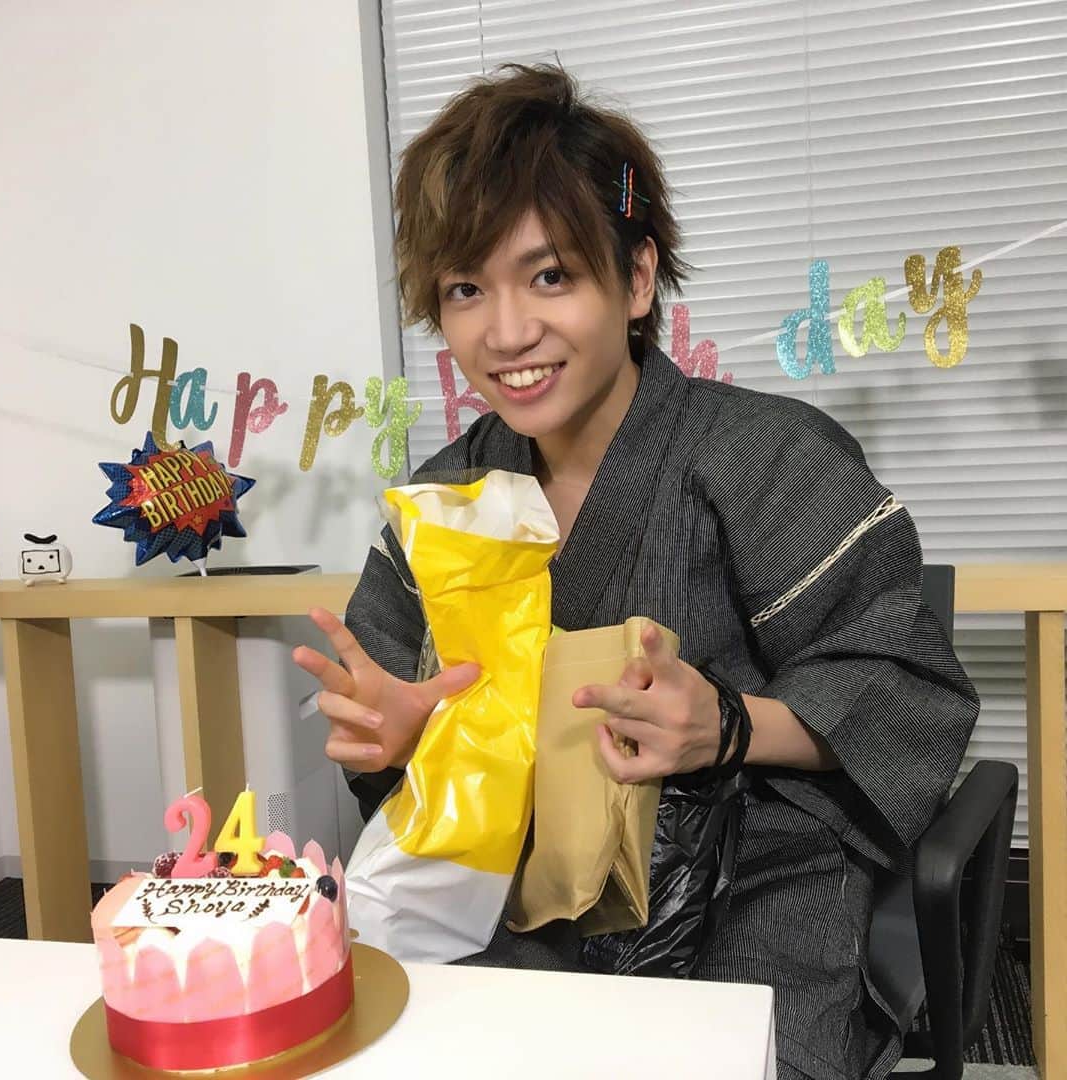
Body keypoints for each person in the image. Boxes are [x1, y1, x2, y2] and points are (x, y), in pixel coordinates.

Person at [292, 63, 979, 1080]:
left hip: (753, 898)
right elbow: (402, 741)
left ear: (640, 278)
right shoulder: (447, 498)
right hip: (518, 907)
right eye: (467, 288)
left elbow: (907, 690)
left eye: (551, 276)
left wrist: (729, 725)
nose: (507, 332)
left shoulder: (766, 458)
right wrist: (404, 738)